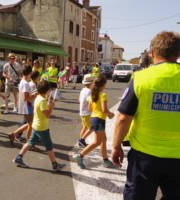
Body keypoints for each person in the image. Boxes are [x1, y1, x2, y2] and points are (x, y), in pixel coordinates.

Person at [111, 31, 180, 199]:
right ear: (179, 54)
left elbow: (123, 117)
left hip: (144, 157)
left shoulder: (141, 78)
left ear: (153, 53)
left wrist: (116, 146)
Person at [12, 80, 67, 171]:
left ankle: (19, 157)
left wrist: (49, 102)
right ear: (47, 90)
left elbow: (43, 111)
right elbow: (47, 115)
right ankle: (55, 164)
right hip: (42, 127)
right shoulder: (42, 101)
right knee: (49, 146)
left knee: (29, 142)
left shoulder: (39, 97)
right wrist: (51, 105)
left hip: (36, 125)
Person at [73, 75, 115, 169]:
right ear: (103, 85)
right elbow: (104, 110)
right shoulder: (103, 95)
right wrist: (111, 114)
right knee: (97, 142)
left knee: (103, 140)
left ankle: (105, 160)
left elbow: (90, 108)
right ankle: (80, 156)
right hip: (99, 120)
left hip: (94, 118)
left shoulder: (92, 95)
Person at [8, 66, 40, 151]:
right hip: (27, 107)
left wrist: (32, 95)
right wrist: (35, 96)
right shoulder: (26, 83)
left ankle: (13, 134)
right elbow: (25, 98)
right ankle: (29, 144)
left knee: (30, 124)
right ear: (30, 73)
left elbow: (25, 96)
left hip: (26, 107)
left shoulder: (24, 82)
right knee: (30, 125)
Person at [78, 74, 94, 147]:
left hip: (82, 111)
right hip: (87, 112)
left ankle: (81, 140)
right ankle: (82, 140)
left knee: (85, 127)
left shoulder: (83, 90)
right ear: (90, 83)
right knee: (92, 127)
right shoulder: (89, 91)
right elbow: (90, 101)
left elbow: (79, 100)